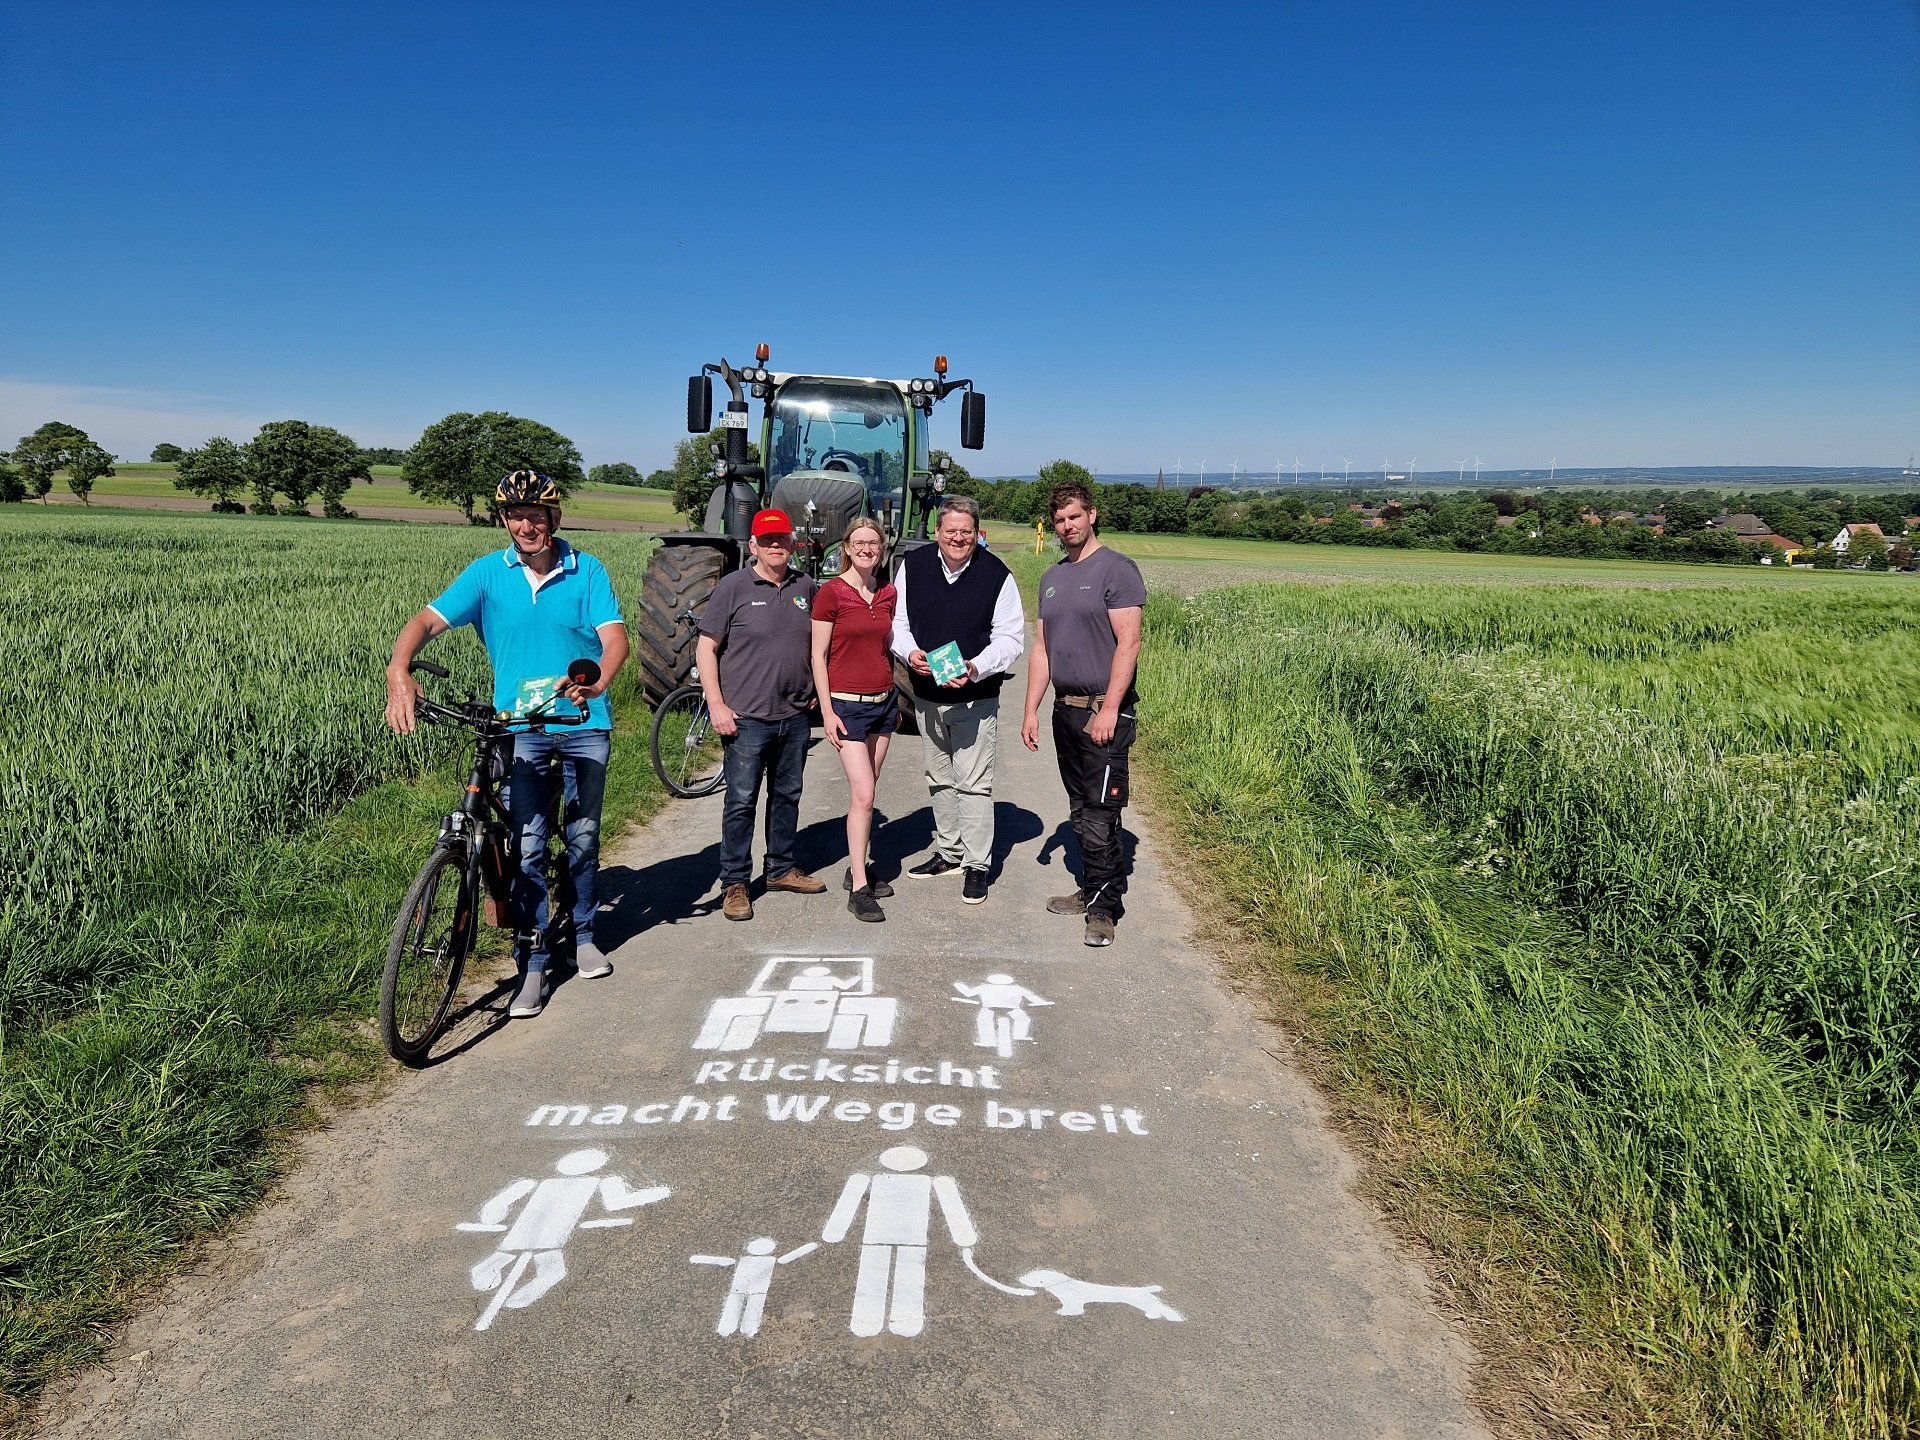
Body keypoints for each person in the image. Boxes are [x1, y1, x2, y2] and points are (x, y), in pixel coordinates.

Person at [385, 470, 629, 1017]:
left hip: (583, 723)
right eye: (515, 516)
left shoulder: (586, 570)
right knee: (530, 845)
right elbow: (426, 621)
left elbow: (615, 640)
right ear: (504, 522)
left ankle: (585, 935)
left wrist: (597, 682)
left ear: (554, 519)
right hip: (520, 728)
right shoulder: (487, 575)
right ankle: (535, 962)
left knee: (584, 836)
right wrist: (399, 669)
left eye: (535, 515)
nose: (525, 525)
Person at [1021, 480, 1145, 947]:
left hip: (1103, 713)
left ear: (1091, 514)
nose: (1067, 525)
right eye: (1059, 519)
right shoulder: (1053, 578)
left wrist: (1110, 707)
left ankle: (1104, 910)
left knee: (1099, 813)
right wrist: (1031, 709)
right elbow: (1042, 650)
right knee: (1080, 809)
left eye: (1074, 516)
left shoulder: (1117, 570)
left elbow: (1128, 643)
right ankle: (1092, 889)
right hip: (1064, 712)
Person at [890, 496, 1025, 904]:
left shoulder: (997, 575)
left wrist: (976, 667)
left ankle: (977, 864)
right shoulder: (912, 567)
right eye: (951, 531)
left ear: (976, 533)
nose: (958, 538)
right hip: (926, 698)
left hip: (975, 699)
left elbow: (1010, 638)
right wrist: (909, 653)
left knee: (974, 784)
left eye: (966, 532)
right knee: (939, 780)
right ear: (937, 532)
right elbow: (898, 624)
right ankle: (949, 852)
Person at [698, 508, 827, 922]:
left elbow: (818, 647)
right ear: (752, 545)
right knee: (740, 802)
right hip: (746, 717)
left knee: (788, 794)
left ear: (792, 544)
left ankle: (780, 868)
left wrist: (814, 694)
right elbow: (706, 649)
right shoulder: (733, 587)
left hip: (794, 715)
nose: (776, 546)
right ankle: (735, 882)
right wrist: (716, 703)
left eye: (782, 540)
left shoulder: (805, 586)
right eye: (767, 540)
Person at [810, 517, 900, 923]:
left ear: (881, 548)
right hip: (847, 707)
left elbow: (898, 642)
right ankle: (860, 889)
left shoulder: (888, 592)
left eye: (874, 543)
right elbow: (818, 656)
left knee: (869, 792)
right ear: (846, 547)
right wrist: (827, 711)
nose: (867, 549)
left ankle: (856, 866)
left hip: (884, 703)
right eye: (859, 542)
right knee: (863, 794)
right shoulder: (830, 594)